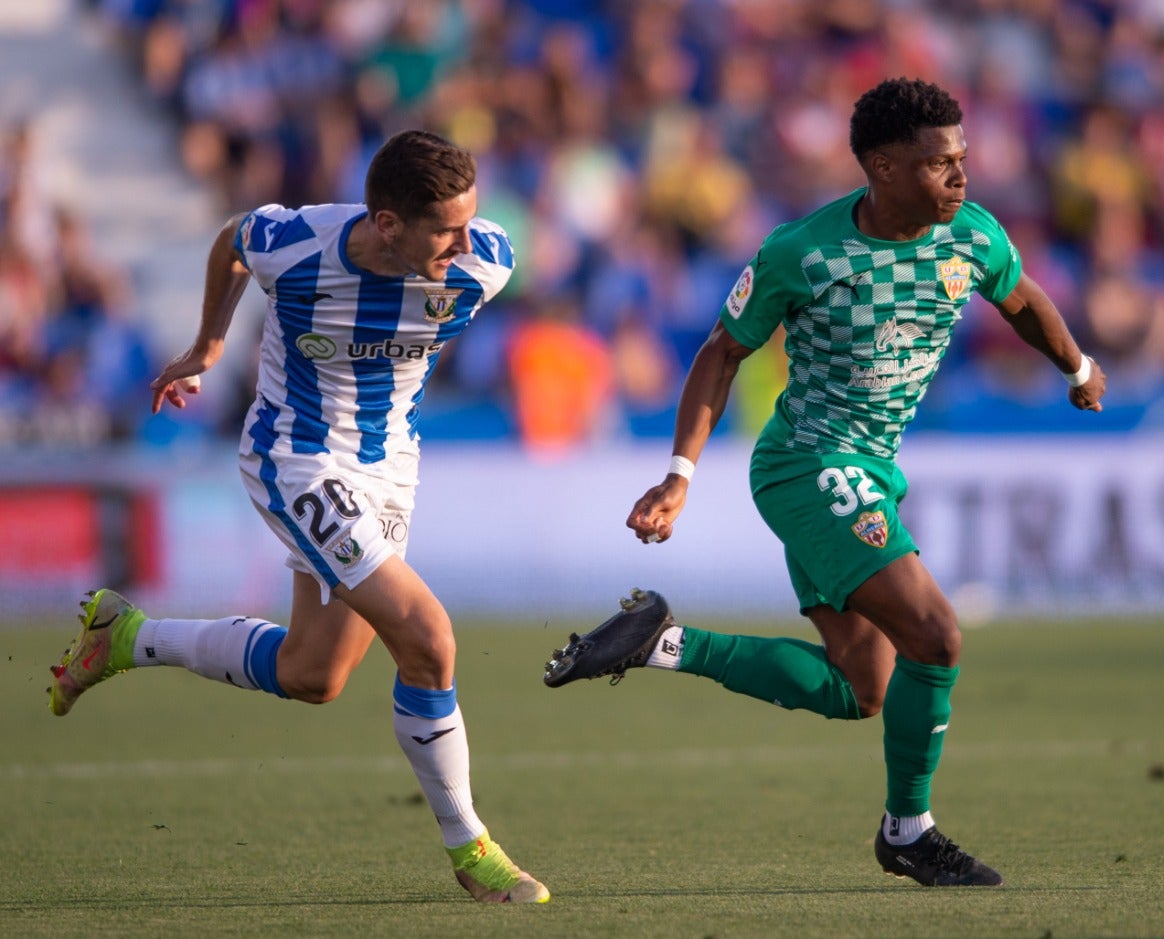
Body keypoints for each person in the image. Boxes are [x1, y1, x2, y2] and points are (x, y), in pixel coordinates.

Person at [543, 78, 1107, 887]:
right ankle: (910, 831)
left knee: (863, 688)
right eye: (939, 163)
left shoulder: (973, 237)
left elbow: (1020, 298)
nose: (960, 176)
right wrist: (678, 476)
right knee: (938, 635)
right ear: (881, 166)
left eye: (963, 159)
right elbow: (721, 350)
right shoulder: (802, 252)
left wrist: (1077, 365)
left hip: (871, 466)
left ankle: (665, 640)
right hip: (810, 463)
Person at [47, 130, 549, 904]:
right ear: (387, 223)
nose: (464, 239)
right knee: (428, 639)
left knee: (313, 675)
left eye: (469, 220)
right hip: (298, 457)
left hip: (388, 472)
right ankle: (471, 847)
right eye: (445, 228)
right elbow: (234, 242)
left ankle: (128, 636)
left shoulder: (487, 262)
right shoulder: (300, 243)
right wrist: (211, 342)